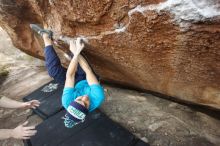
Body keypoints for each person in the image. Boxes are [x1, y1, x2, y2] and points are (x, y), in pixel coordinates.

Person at [30, 24, 105, 128]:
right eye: (86, 104)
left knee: (53, 72)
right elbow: (88, 71)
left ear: (72, 101)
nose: (85, 97)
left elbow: (70, 76)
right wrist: (77, 52)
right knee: (81, 63)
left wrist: (76, 54)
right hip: (87, 80)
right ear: (88, 109)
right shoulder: (98, 97)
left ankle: (46, 37)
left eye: (79, 100)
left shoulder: (66, 101)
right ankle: (73, 56)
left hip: (75, 84)